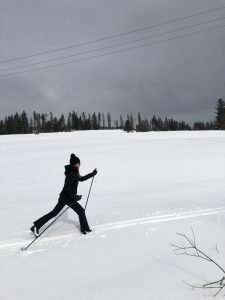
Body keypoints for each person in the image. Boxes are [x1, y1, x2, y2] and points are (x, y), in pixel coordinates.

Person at [30, 153, 97, 236]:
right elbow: (67, 187)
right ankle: (85, 229)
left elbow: (81, 179)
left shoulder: (74, 172)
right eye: (79, 163)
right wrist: (74, 197)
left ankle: (36, 226)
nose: (80, 165)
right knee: (81, 211)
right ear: (75, 164)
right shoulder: (71, 174)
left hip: (64, 197)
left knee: (54, 213)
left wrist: (92, 174)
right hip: (68, 197)